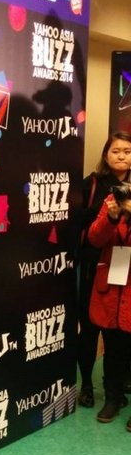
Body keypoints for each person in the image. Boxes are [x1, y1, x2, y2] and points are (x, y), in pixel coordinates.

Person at [77, 131, 131, 408]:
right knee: (89, 329)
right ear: (106, 155)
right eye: (115, 151)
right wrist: (109, 212)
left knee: (122, 332)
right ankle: (86, 384)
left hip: (127, 272)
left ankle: (117, 386)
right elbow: (80, 221)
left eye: (127, 151)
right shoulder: (93, 184)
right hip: (94, 266)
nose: (121, 156)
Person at [87, 179, 131, 426]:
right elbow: (94, 238)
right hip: (112, 288)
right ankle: (113, 398)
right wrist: (112, 218)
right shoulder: (113, 200)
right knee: (113, 349)